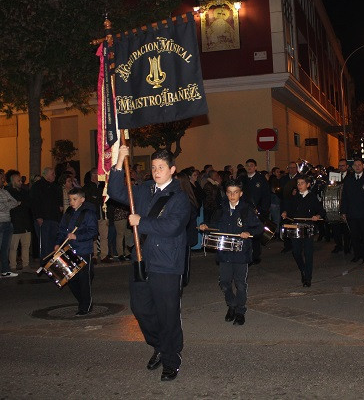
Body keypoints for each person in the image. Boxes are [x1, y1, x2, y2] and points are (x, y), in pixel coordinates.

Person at [107, 146, 190, 382]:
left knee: (167, 314)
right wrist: (119, 162)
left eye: (161, 167)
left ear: (172, 170)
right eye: (153, 167)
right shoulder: (143, 190)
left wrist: (141, 222)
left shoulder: (179, 197)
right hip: (142, 260)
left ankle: (172, 358)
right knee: (140, 309)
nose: (156, 171)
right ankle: (159, 345)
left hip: (166, 264)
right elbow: (115, 191)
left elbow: (172, 226)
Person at [199, 178, 261, 325]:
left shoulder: (246, 210)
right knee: (225, 283)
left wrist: (248, 231)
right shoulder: (221, 209)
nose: (232, 195)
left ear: (240, 193)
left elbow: (258, 228)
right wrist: (205, 225)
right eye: (229, 193)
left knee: (240, 284)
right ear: (226, 194)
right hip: (224, 252)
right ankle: (231, 305)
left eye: (235, 192)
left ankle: (240, 311)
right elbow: (214, 224)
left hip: (241, 253)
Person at [54, 187, 99, 316]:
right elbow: (62, 230)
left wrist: (77, 236)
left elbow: (93, 231)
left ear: (82, 200)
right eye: (70, 199)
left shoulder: (89, 213)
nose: (71, 202)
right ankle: (84, 301)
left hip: (84, 250)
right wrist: (58, 243)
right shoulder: (68, 213)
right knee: (70, 279)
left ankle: (85, 306)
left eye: (74, 199)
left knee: (84, 280)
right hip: (69, 250)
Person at [281, 174, 326, 287]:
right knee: (295, 252)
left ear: (308, 184)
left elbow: (321, 211)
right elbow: (289, 209)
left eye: (302, 183)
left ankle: (308, 278)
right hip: (296, 228)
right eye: (298, 183)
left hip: (308, 228)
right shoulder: (294, 197)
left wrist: (317, 216)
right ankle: (303, 269)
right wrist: (285, 213)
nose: (299, 185)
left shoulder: (312, 197)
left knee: (308, 253)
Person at [340, 159, 364, 265]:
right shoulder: (348, 180)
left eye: (359, 165)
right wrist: (343, 211)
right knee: (355, 236)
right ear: (352, 167)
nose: (357, 167)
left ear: (363, 166)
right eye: (355, 165)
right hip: (352, 213)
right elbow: (344, 197)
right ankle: (357, 255)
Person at [240, 158, 271, 265]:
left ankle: (256, 255)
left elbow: (266, 196)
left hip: (257, 210)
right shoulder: (242, 179)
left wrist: (263, 209)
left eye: (251, 165)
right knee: (245, 232)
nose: (249, 167)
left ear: (256, 167)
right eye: (247, 165)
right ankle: (247, 255)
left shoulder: (261, 179)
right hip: (244, 210)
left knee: (255, 233)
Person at [30, 167, 63, 260]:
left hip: (54, 218)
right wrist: (38, 216)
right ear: (46, 174)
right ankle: (45, 261)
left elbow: (59, 199)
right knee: (44, 242)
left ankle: (54, 261)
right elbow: (35, 202)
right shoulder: (37, 186)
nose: (54, 176)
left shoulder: (55, 186)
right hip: (43, 219)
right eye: (52, 174)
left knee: (54, 241)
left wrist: (60, 206)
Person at [5, 170, 33, 271]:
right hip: (15, 223)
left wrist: (20, 203)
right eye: (18, 181)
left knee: (26, 245)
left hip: (25, 222)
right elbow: (12, 206)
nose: (21, 182)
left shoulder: (24, 192)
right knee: (13, 247)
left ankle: (26, 265)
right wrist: (19, 204)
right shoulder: (8, 192)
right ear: (13, 182)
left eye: (20, 180)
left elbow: (28, 204)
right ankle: (13, 265)